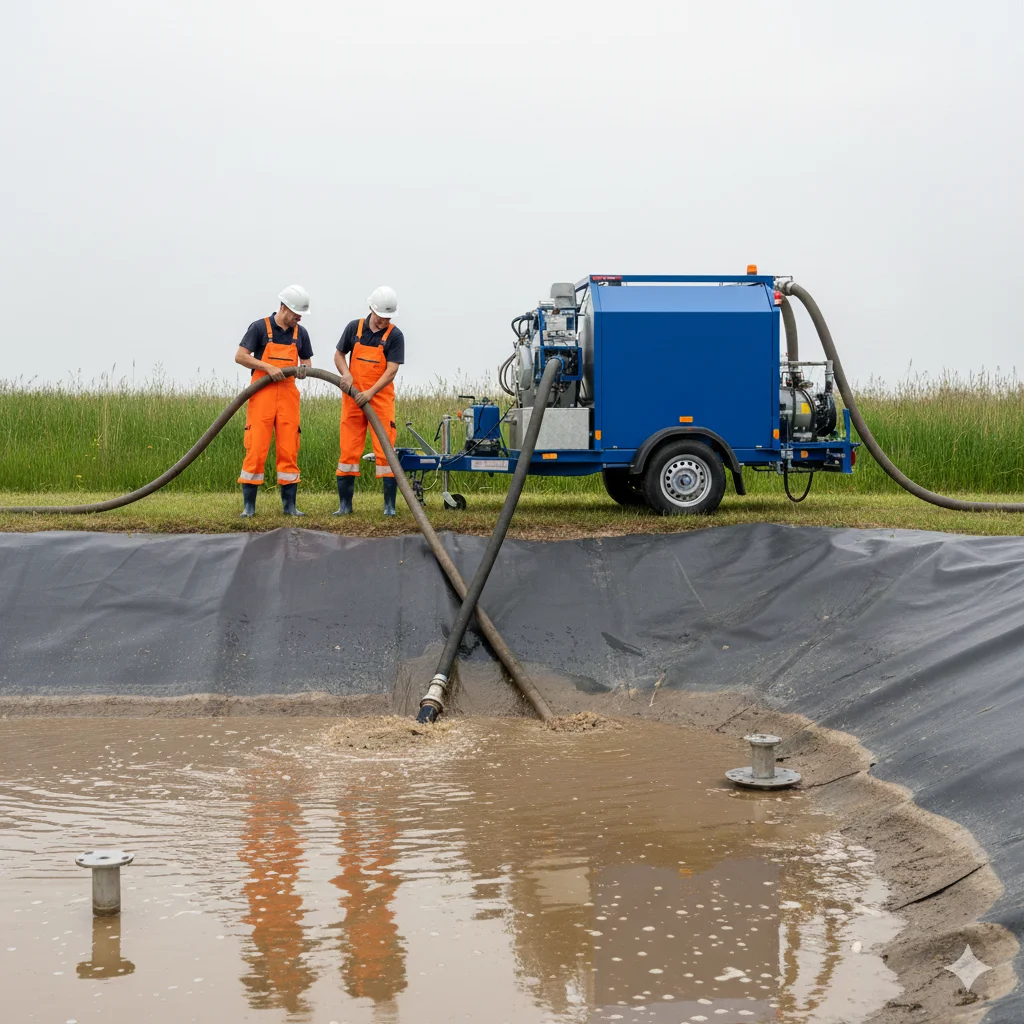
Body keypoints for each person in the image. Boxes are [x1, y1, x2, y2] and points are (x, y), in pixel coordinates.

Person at [235, 285, 313, 517]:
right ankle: (249, 508)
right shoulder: (259, 327)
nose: (299, 318)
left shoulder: (302, 334)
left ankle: (289, 507)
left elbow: (308, 363)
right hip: (262, 396)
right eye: (296, 313)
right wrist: (268, 367)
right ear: (283, 307)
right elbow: (240, 356)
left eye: (301, 315)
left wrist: (303, 370)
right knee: (256, 449)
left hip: (288, 398)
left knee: (289, 450)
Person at [333, 285, 405, 517]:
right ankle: (345, 506)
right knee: (348, 452)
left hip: (380, 401)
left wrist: (371, 393)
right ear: (371, 310)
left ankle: (389, 507)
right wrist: (346, 374)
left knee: (386, 453)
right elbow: (339, 355)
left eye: (388, 318)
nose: (384, 321)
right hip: (353, 400)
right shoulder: (354, 328)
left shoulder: (395, 335)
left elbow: (391, 371)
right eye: (381, 317)